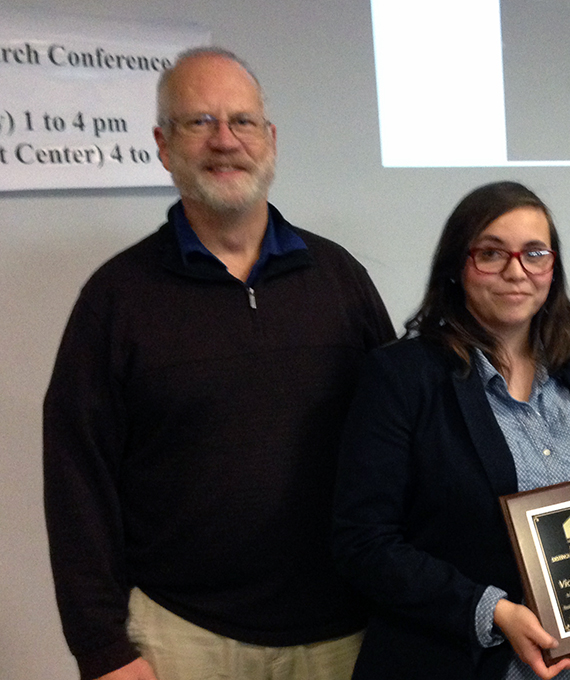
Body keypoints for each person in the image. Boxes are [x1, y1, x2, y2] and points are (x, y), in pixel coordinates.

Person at [42, 47, 395, 680]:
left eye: (242, 121)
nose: (225, 141)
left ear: (271, 140)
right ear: (162, 143)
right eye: (199, 122)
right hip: (181, 638)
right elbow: (77, 485)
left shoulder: (340, 280)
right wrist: (102, 651)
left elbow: (401, 449)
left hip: (346, 635)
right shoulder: (116, 299)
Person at [331, 181, 570, 680]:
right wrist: (493, 612)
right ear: (456, 267)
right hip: (461, 665)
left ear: (553, 267)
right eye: (491, 253)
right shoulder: (402, 376)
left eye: (535, 253)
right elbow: (363, 542)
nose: (516, 271)